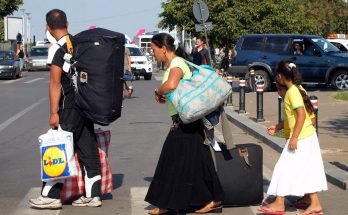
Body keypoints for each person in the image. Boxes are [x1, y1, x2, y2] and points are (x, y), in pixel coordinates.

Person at [29, 9, 102, 209]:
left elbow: (55, 82)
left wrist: (54, 113)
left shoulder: (57, 49)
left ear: (47, 27)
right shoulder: (80, 44)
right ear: (67, 24)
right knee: (87, 147)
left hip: (68, 106)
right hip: (85, 105)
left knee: (58, 148)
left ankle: (51, 196)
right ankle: (93, 195)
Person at [145, 33, 223, 215]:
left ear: (163, 49)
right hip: (184, 120)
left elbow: (171, 84)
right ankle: (208, 199)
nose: (153, 53)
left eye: (154, 49)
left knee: (171, 160)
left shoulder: (177, 63)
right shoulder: (176, 63)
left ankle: (170, 203)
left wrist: (158, 91)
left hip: (186, 121)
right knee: (195, 162)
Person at [258, 61, 327, 215]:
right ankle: (313, 202)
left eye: (277, 76)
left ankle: (279, 203)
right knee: (304, 170)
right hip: (306, 136)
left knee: (282, 169)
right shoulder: (297, 89)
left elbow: (301, 115)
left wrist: (294, 138)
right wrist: (278, 127)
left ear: (281, 76)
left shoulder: (292, 92)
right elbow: (296, 116)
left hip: (301, 138)